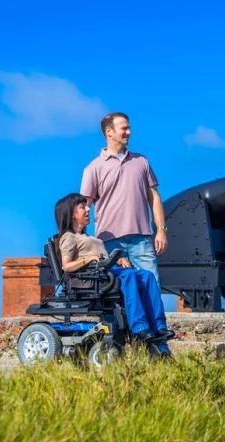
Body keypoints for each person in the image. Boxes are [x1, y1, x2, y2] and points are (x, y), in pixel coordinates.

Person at [54, 193, 174, 344]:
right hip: (94, 279)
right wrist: (88, 259)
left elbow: (102, 258)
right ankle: (139, 327)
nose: (88, 209)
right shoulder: (69, 237)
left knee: (147, 276)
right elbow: (66, 266)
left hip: (107, 273)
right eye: (82, 207)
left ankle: (159, 326)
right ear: (71, 214)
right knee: (130, 276)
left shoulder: (88, 237)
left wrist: (118, 259)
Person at [80, 112, 167, 284]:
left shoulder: (141, 161)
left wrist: (161, 231)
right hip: (109, 243)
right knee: (115, 293)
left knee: (152, 289)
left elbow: (154, 198)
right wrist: (83, 242)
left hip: (141, 238)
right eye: (124, 128)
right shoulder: (93, 168)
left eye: (129, 128)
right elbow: (83, 207)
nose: (129, 132)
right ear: (109, 132)